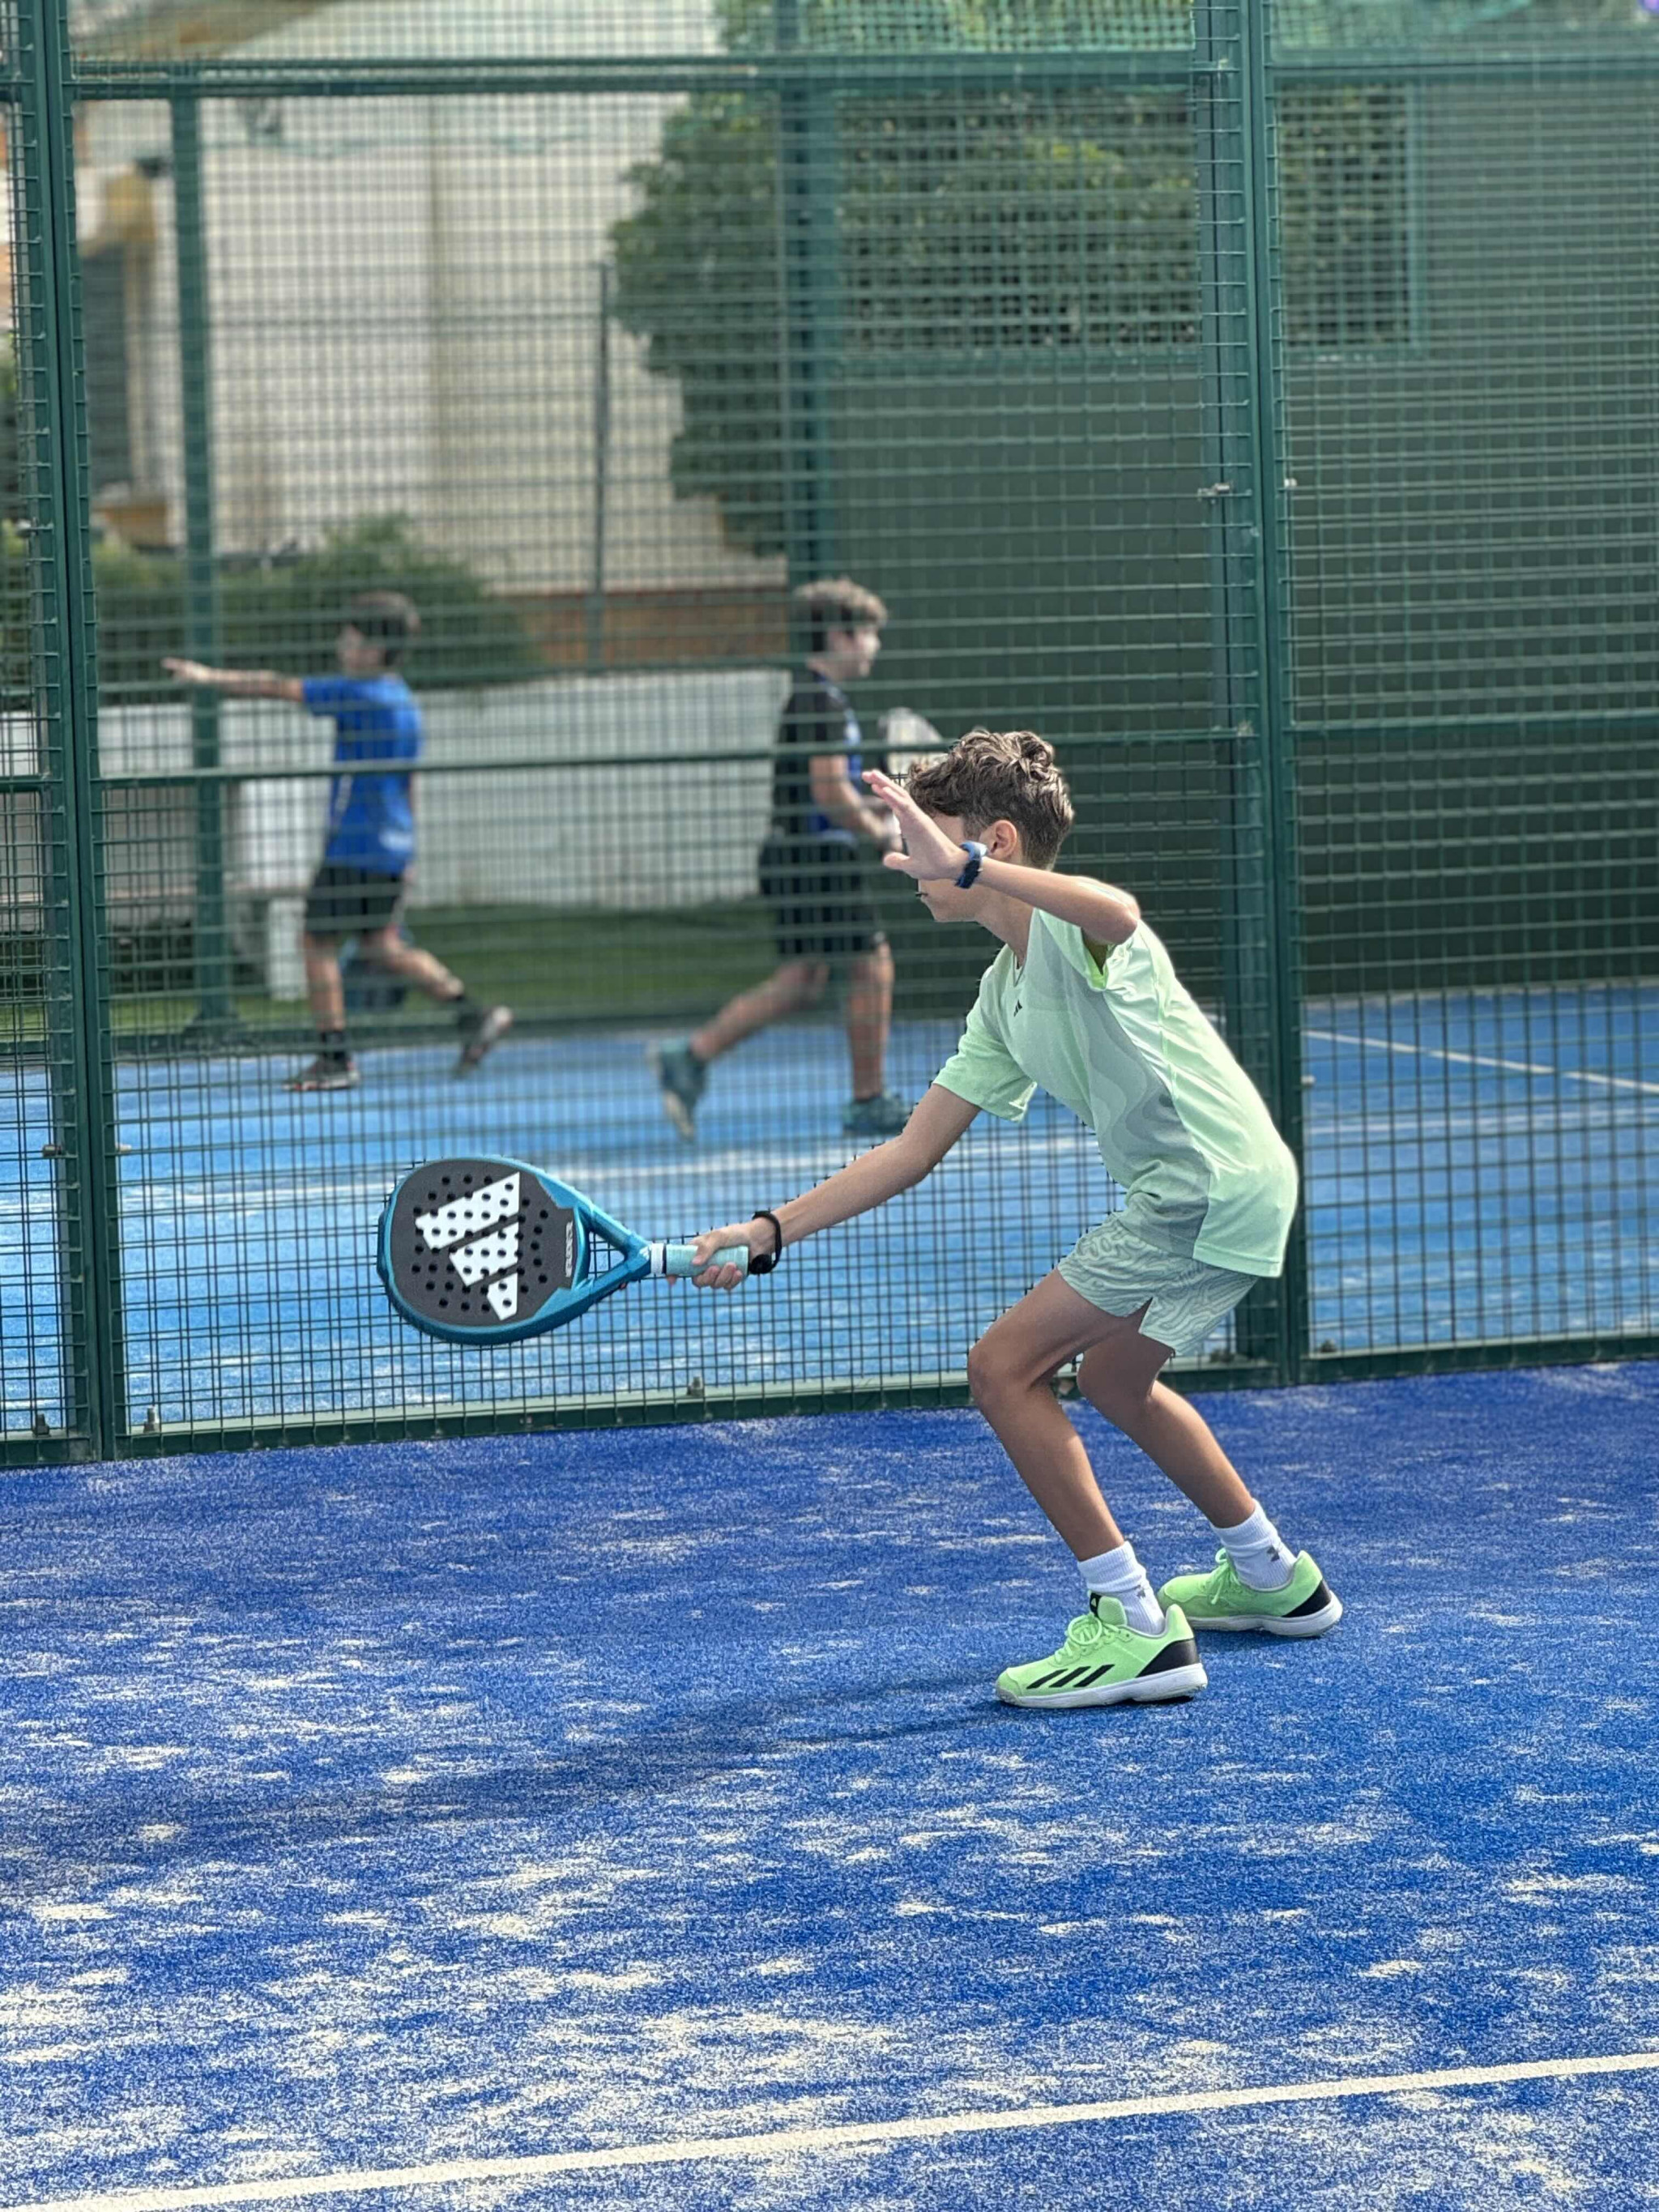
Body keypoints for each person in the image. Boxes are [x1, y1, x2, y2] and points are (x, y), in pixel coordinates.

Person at [686, 729, 1341, 1710]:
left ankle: (1133, 1623)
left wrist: (968, 866)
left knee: (1000, 1367)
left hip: (1198, 1190)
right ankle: (1270, 1574)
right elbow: (910, 1151)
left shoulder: (1079, 934)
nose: (902, 858)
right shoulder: (1002, 996)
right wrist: (767, 1230)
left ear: (991, 842)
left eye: (920, 839)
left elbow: (1117, 909)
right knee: (1113, 1379)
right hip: (1232, 1185)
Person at [163, 591, 512, 1092]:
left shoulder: (361, 694)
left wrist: (207, 678)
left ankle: (335, 1057)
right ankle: (473, 1014)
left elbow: (278, 687)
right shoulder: (403, 700)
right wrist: (407, 852)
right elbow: (408, 782)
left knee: (315, 942)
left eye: (349, 641)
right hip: (391, 846)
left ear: (374, 650)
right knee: (381, 944)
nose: (340, 649)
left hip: (355, 846)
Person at [652, 578, 910, 1142]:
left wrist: (882, 807)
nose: (875, 646)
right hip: (816, 858)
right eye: (868, 634)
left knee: (803, 980)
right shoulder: (820, 702)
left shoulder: (816, 699)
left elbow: (830, 790)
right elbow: (829, 793)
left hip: (792, 853)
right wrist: (877, 832)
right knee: (871, 964)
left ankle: (689, 1057)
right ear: (839, 636)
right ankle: (868, 1100)